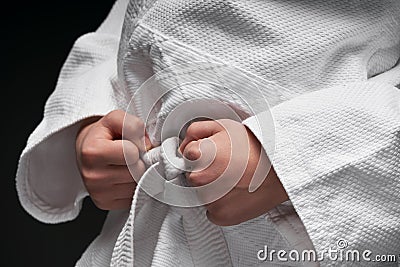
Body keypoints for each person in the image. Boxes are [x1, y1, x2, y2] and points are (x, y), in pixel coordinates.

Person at [16, 0, 400, 266]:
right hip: (147, 227)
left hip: (301, 232)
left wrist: (297, 154)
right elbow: (132, 19)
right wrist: (93, 118)